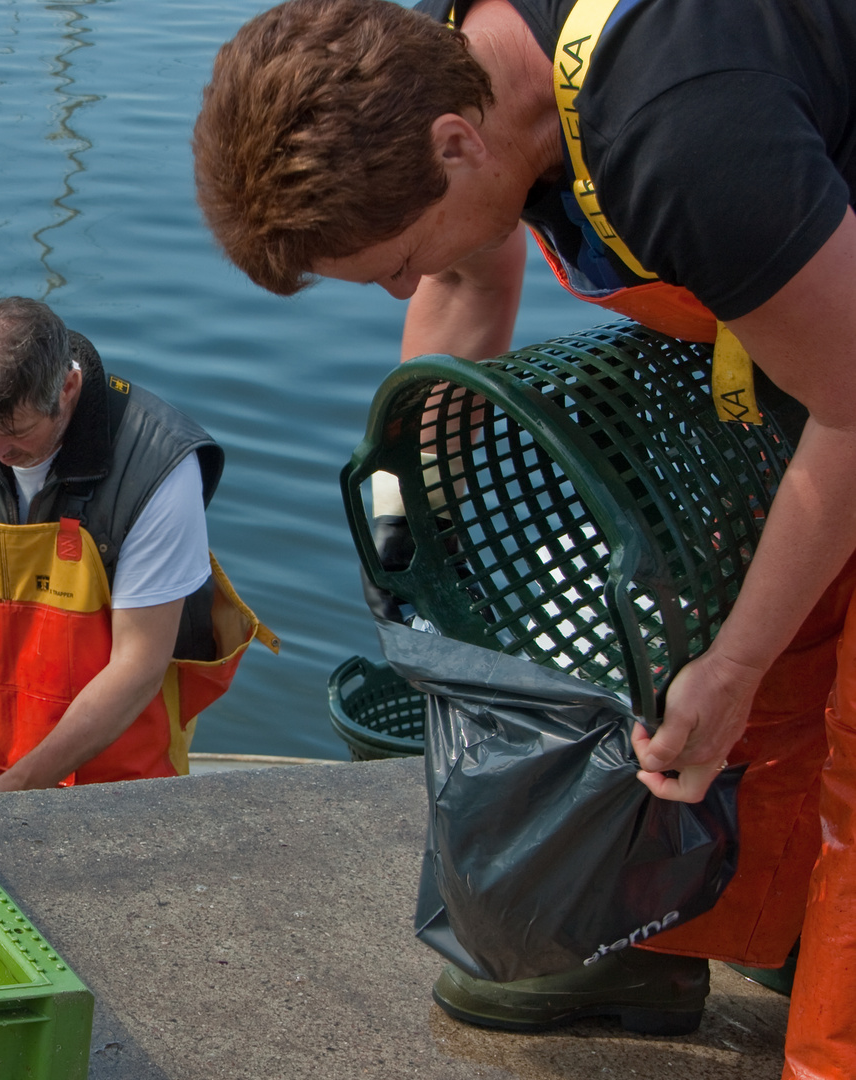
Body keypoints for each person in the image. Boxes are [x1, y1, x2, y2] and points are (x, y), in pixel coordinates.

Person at [193, 0, 856, 1070]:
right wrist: (429, 528)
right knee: (727, 630)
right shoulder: (456, 61)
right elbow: (464, 274)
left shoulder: (685, 141)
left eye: (396, 261)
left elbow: (855, 405)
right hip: (815, 326)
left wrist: (733, 667)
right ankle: (691, 929)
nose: (404, 286)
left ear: (459, 142)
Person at [0, 297, 276, 797]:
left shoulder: (159, 465)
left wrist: (21, 785)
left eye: (16, 433)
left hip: (118, 785)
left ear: (68, 388)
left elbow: (139, 664)